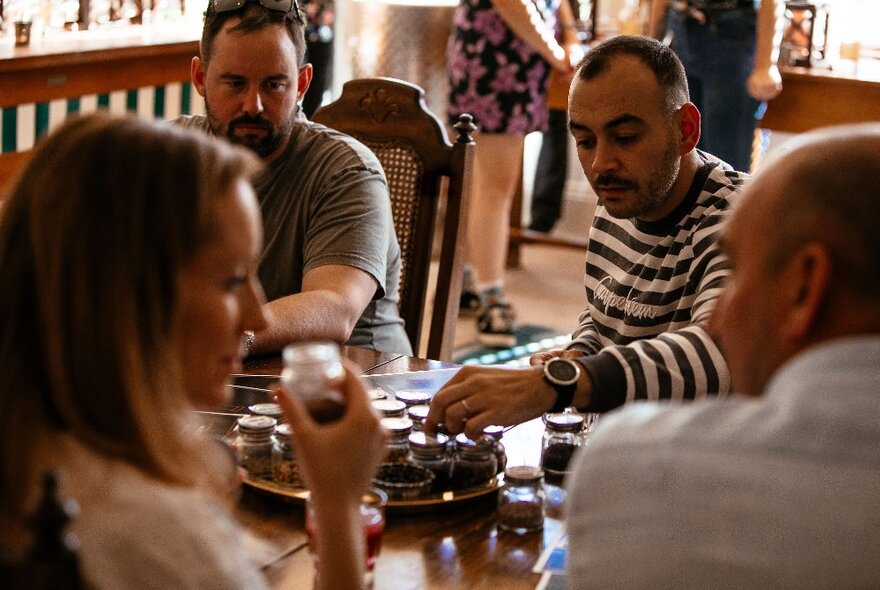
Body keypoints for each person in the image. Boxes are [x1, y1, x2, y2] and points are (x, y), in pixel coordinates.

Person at [0, 113, 386, 590]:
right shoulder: (162, 534)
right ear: (131, 299)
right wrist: (339, 502)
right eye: (230, 280)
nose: (258, 318)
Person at [567, 124, 880, 587]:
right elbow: (600, 309)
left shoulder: (637, 466)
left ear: (805, 288)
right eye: (585, 140)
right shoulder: (618, 205)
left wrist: (562, 383)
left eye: (734, 271)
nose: (715, 321)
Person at [428, 36, 745, 440]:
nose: (600, 164)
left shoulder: (741, 220)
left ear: (685, 130)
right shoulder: (623, 192)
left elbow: (716, 356)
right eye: (585, 140)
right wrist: (579, 352)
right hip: (615, 450)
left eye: (625, 137)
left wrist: (560, 382)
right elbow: (607, 317)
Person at [179, 0, 411, 356]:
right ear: (200, 78)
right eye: (235, 83)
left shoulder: (347, 171)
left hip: (358, 381)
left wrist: (233, 336)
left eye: (273, 85)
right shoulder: (169, 160)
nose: (252, 105)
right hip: (219, 374)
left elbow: (335, 307)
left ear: (301, 83)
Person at [448, 0, 582, 347]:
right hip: (495, 54)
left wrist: (567, 36)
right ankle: (490, 302)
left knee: (485, 185)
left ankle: (466, 282)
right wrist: (557, 54)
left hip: (521, 55)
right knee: (493, 187)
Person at [649, 0, 783, 172]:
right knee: (685, 158)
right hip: (683, 31)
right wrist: (650, 54)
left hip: (731, 37)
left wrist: (766, 64)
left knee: (725, 162)